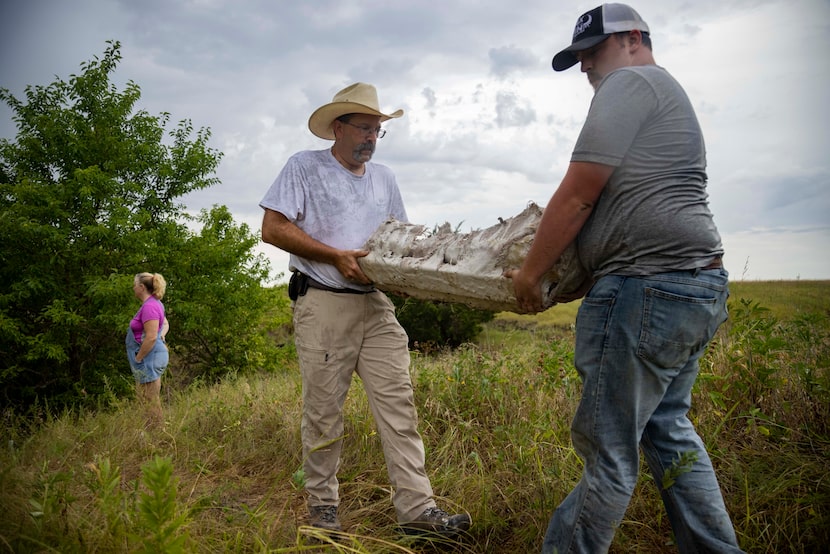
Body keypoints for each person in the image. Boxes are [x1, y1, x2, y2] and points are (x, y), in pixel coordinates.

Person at [508, 4, 744, 553]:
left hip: (647, 289)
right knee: (668, 432)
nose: (588, 68)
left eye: (595, 52)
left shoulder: (631, 81)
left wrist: (530, 274)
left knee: (608, 452)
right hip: (692, 285)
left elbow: (580, 192)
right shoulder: (660, 92)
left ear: (635, 38)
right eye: (581, 60)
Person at [259, 82, 471, 537]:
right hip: (323, 301)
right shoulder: (304, 167)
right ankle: (323, 511)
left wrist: (421, 271)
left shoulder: (385, 178)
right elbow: (272, 228)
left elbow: (399, 238)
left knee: (400, 406)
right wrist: (334, 256)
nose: (372, 138)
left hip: (376, 304)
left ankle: (418, 513)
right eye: (364, 128)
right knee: (323, 411)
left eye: (378, 130)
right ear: (338, 127)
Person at [126, 272, 170, 429]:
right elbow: (164, 324)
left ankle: (159, 433)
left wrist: (138, 358)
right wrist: (161, 336)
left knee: (150, 400)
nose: (133, 288)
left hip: (149, 357)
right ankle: (150, 432)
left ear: (142, 287)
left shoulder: (150, 306)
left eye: (135, 284)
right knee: (145, 398)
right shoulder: (153, 303)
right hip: (150, 356)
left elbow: (151, 337)